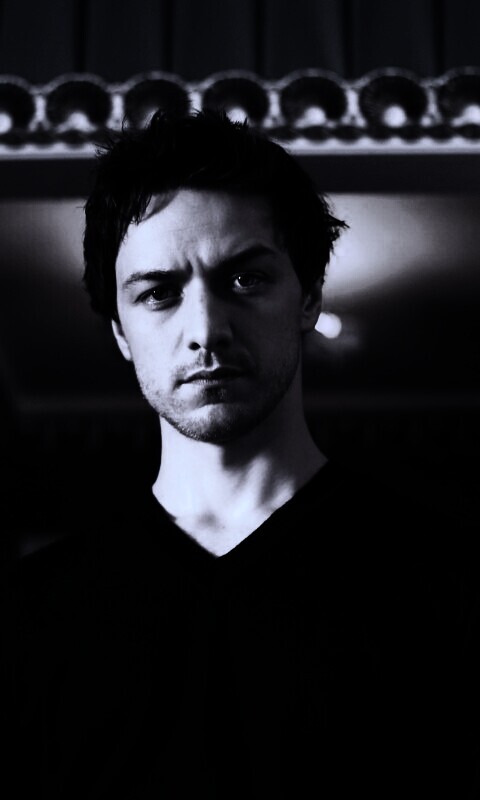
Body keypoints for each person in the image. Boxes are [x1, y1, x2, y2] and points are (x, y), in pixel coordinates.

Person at [2, 108, 479, 799]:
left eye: (245, 279)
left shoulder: (449, 585)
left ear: (308, 296)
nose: (206, 329)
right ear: (120, 332)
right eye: (159, 293)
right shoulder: (31, 618)